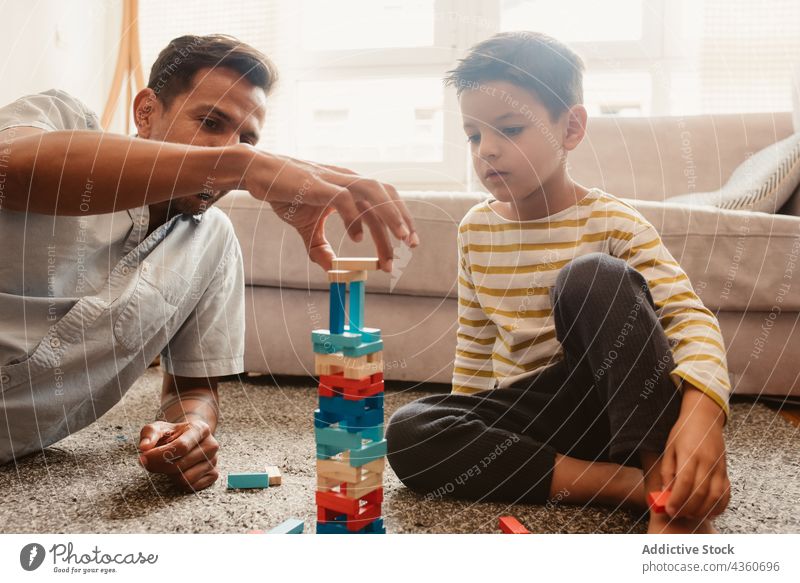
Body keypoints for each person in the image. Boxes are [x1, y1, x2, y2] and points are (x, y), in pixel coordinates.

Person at [0, 34, 418, 491]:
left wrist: (191, 429)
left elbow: (193, 389)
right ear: (146, 111)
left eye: (247, 139)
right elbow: (11, 169)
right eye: (211, 122)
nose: (233, 147)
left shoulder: (214, 242)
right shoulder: (58, 120)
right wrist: (243, 164)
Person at [386, 31, 730, 534]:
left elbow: (688, 318)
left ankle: (664, 481)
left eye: (509, 129)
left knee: (591, 277)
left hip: (618, 405)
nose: (488, 151)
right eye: (474, 136)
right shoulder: (475, 231)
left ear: (570, 128)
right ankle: (630, 487)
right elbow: (476, 344)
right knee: (408, 431)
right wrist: (469, 418)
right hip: (539, 421)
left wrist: (704, 415)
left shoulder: (613, 222)